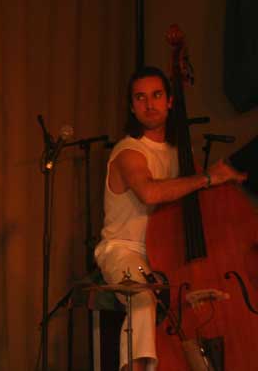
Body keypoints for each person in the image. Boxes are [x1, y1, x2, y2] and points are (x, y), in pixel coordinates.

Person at [94, 66, 246, 371]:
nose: (149, 104)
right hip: (126, 249)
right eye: (140, 97)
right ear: (132, 106)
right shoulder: (129, 152)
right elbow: (150, 194)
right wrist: (206, 178)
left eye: (156, 95)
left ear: (170, 101)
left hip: (171, 253)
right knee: (143, 299)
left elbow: (199, 197)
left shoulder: (180, 152)